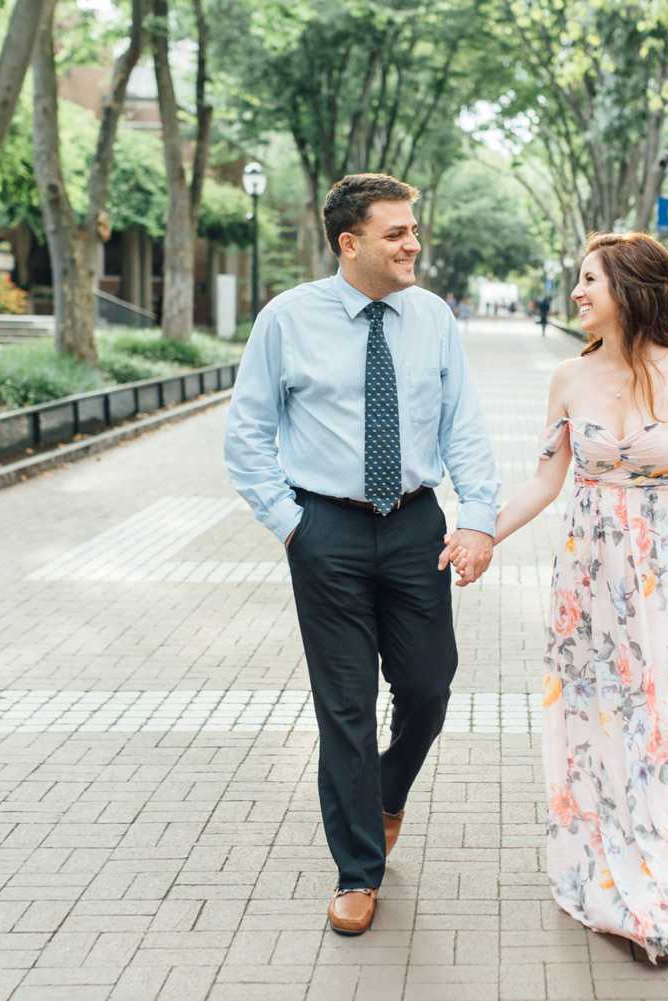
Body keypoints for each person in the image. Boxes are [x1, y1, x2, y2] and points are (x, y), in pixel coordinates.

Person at [224, 173, 499, 937]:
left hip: (415, 525)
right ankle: (356, 871)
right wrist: (291, 525)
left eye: (413, 229)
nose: (414, 243)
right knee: (343, 707)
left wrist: (477, 520)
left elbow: (464, 428)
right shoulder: (287, 320)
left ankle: (387, 792)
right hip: (327, 533)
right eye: (396, 233)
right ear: (350, 243)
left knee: (429, 685)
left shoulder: (433, 318)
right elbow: (246, 435)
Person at [448, 232, 668, 963]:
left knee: (661, 723)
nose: (576, 293)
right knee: (596, 717)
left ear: (630, 290)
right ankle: (605, 869)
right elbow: (545, 481)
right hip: (589, 579)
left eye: (588, 280)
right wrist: (482, 535)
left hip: (663, 574)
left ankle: (662, 882)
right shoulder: (569, 377)